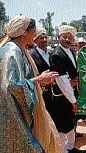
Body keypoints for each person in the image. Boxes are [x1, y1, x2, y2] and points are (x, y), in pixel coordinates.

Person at [0, 16, 62, 153]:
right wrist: (39, 79)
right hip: (12, 115)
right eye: (33, 31)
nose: (34, 35)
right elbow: (11, 86)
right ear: (24, 32)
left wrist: (39, 81)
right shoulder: (12, 51)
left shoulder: (19, 49)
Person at [50, 25, 86, 153]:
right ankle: (62, 150)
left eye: (70, 37)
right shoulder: (57, 55)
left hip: (71, 94)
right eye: (64, 37)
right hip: (62, 97)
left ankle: (70, 147)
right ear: (59, 37)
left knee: (70, 122)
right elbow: (62, 81)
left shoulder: (71, 51)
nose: (67, 39)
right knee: (61, 125)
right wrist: (73, 101)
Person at [30, 28, 54, 118]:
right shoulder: (31, 55)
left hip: (53, 94)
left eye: (45, 37)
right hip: (40, 94)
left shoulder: (51, 54)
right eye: (41, 38)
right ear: (35, 40)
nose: (44, 40)